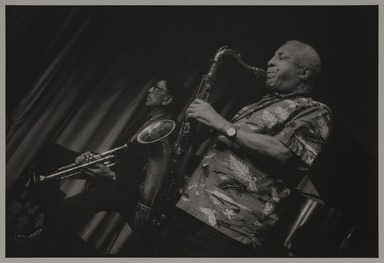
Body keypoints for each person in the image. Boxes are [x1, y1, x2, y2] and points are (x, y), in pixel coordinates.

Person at [155, 40, 333, 257]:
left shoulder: (316, 111)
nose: (270, 62)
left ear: (304, 73)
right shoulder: (256, 105)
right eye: (272, 56)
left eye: (281, 57)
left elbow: (282, 153)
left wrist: (220, 123)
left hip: (231, 226)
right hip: (190, 207)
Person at [42, 78, 185, 256]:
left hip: (130, 190)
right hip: (112, 175)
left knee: (71, 206)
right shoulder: (145, 120)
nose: (149, 90)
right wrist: (93, 157)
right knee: (50, 153)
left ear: (168, 99)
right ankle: (45, 227)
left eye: (156, 89)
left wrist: (112, 176)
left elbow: (157, 176)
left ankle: (50, 251)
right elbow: (122, 155)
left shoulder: (172, 131)